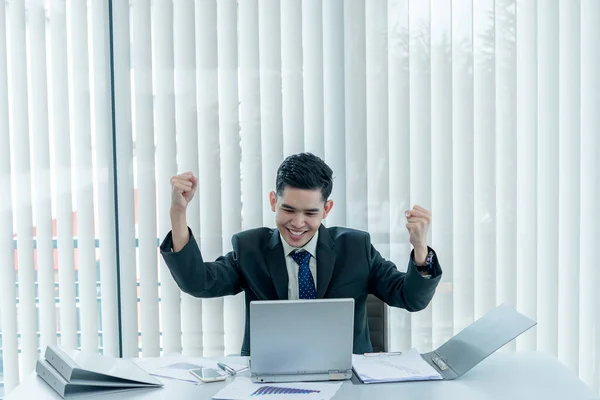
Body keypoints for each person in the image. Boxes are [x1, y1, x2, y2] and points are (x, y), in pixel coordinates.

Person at [160, 152, 442, 356]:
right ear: (274, 201)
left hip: (347, 382)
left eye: (310, 213)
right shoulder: (250, 249)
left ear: (327, 210)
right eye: (288, 210)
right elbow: (199, 282)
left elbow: (410, 298)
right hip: (271, 380)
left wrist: (419, 248)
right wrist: (178, 213)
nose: (297, 223)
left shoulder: (355, 248)